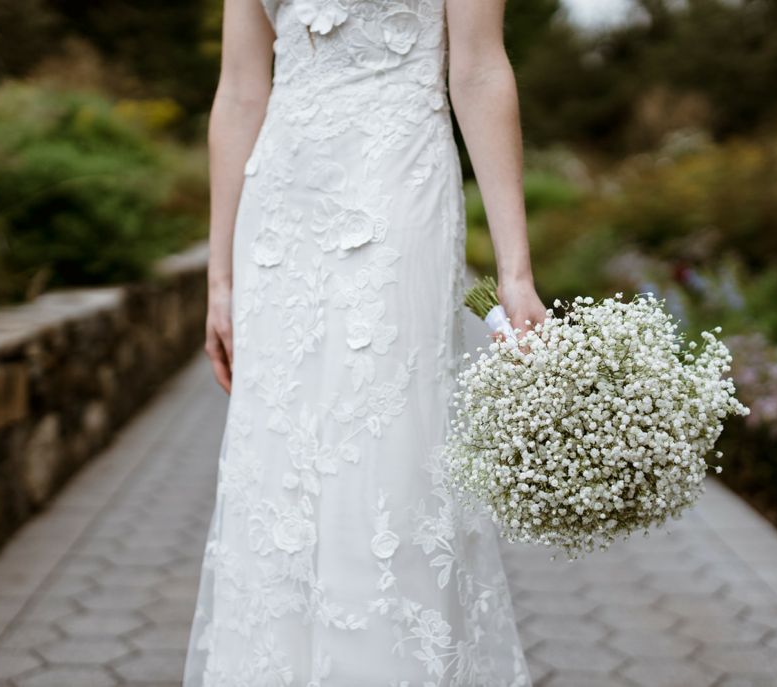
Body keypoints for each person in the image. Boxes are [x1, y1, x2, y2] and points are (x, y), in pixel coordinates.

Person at [184, 0, 547, 682]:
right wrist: (220, 277)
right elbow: (238, 89)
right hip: (281, 211)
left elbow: (477, 69)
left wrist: (514, 273)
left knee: (384, 459)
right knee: (278, 466)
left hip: (398, 183)